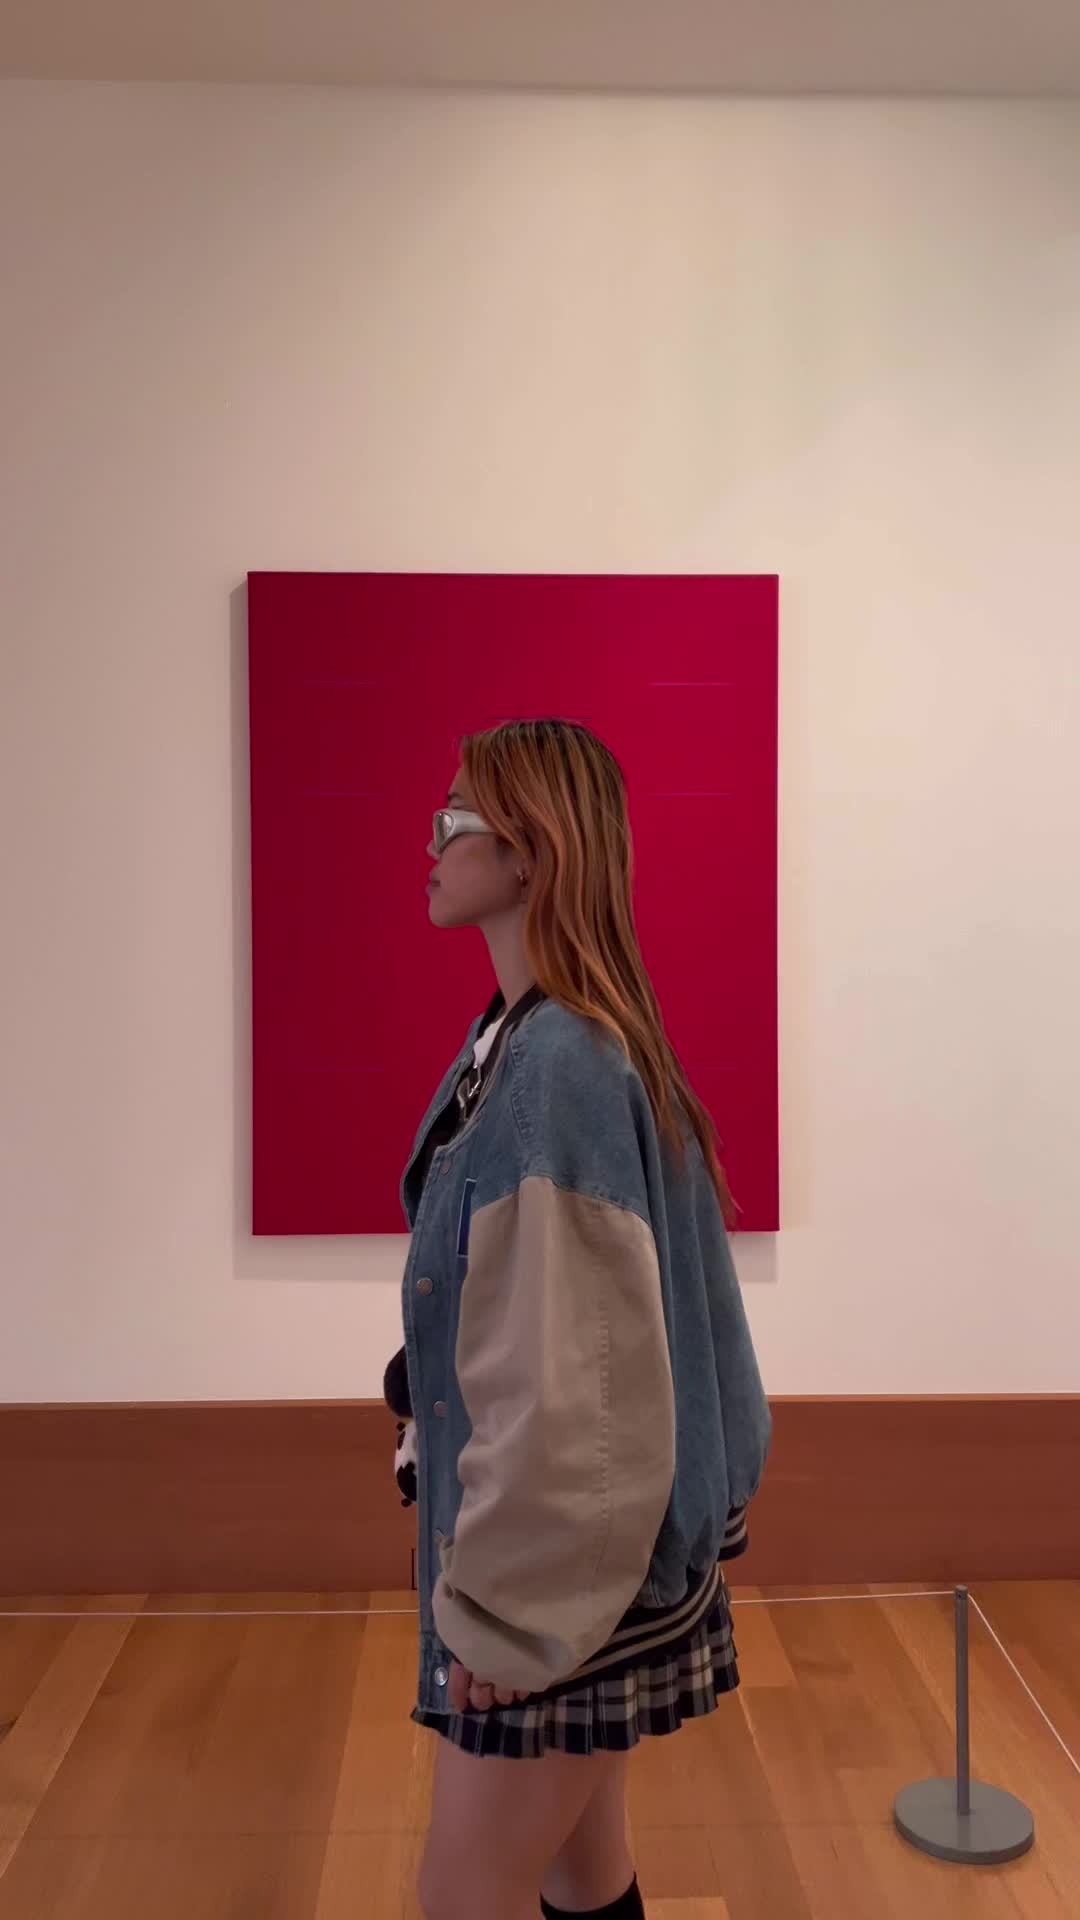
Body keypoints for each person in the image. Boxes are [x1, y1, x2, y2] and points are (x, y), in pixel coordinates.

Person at [384, 719, 771, 1920]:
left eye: (456, 819)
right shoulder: (531, 1041)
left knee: (467, 1896)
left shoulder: (559, 1063)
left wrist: (510, 1615)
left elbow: (576, 1395)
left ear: (530, 854)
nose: (432, 842)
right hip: (598, 1568)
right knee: (581, 1871)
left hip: (561, 1584)